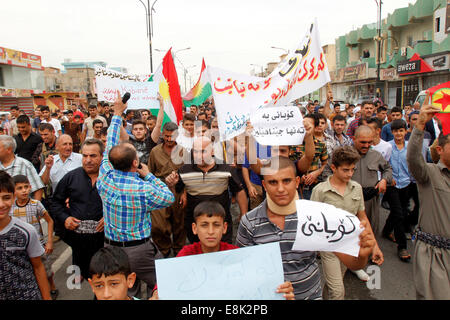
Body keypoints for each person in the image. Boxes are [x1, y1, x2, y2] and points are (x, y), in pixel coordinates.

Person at [236, 156, 376, 300]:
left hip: (310, 295)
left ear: (296, 182)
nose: (280, 189)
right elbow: (242, 270)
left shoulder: (316, 216)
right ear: (264, 185)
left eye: (286, 181)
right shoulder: (250, 222)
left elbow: (352, 263)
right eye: (273, 182)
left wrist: (363, 253)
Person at [97, 91, 175, 298]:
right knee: (161, 283)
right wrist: (149, 176)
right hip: (140, 250)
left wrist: (116, 114)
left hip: (111, 249)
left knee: (122, 290)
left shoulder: (104, 177)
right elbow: (168, 197)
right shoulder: (143, 188)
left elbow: (108, 146)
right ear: (135, 163)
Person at [150, 200, 295, 300]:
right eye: (204, 225)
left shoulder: (234, 254)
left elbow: (258, 280)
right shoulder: (187, 254)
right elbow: (169, 278)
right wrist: (157, 291)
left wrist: (280, 288)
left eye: (216, 225)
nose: (211, 231)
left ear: (224, 228)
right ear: (194, 228)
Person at [311, 146, 380, 299]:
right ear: (333, 167)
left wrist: (375, 246)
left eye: (352, 170)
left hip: (350, 245)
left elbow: (362, 218)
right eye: (345, 170)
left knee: (334, 283)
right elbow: (312, 221)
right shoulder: (320, 191)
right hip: (329, 246)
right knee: (338, 291)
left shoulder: (356, 188)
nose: (350, 174)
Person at [406, 96, 450, 300]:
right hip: (435, 255)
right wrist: (421, 123)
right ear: (439, 150)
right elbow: (414, 157)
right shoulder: (429, 173)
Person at [174, 136, 248, 244]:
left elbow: (239, 191)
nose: (199, 156)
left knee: (223, 254)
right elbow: (176, 191)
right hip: (195, 224)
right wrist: (172, 185)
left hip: (221, 223)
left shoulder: (226, 169)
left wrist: (243, 214)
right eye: (196, 152)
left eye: (203, 151)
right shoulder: (184, 171)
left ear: (212, 151)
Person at [50, 138, 105, 282]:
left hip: (104, 239)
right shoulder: (71, 177)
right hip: (77, 237)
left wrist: (110, 218)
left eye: (93, 156)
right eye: (85, 156)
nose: (88, 160)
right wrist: (65, 218)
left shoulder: (110, 178)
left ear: (102, 156)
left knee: (102, 275)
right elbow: (55, 202)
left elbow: (124, 202)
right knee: (81, 263)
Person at [0, 171, 51, 300]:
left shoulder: (26, 231)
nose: (1, 204)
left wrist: (46, 297)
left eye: (6, 198)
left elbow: (38, 267)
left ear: (12, 198)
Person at [10, 174, 58, 299]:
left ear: (30, 187)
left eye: (26, 187)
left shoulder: (36, 204)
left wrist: (49, 242)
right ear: (13, 191)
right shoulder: (10, 207)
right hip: (20, 247)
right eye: (19, 188)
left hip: (39, 245)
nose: (24, 190)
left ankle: (52, 286)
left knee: (46, 270)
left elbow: (50, 221)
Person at [148, 122, 186, 257]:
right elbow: (149, 174)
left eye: (172, 137)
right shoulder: (155, 151)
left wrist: (185, 193)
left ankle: (179, 253)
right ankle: (163, 251)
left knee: (179, 225)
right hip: (160, 192)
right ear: (163, 135)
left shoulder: (184, 150)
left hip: (178, 190)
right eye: (167, 136)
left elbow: (189, 173)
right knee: (158, 226)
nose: (169, 140)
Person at [351, 125, 393, 237]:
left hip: (370, 202)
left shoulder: (376, 155)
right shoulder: (343, 154)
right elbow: (328, 171)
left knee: (369, 233)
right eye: (363, 142)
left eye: (370, 142)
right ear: (354, 139)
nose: (366, 146)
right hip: (349, 201)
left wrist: (384, 180)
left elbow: (388, 169)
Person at [381, 119, 412, 262]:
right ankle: (402, 247)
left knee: (400, 211)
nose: (398, 134)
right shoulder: (388, 147)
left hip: (406, 184)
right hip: (392, 185)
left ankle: (387, 230)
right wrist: (387, 177)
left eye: (401, 130)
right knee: (399, 214)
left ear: (406, 131)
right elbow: (383, 164)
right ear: (392, 132)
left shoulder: (410, 147)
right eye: (395, 131)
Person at [0, 135, 44, 201]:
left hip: (21, 209)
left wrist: (35, 208)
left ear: (9, 149)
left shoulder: (25, 165)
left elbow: (37, 189)